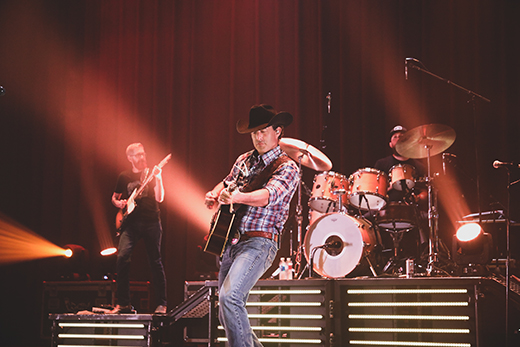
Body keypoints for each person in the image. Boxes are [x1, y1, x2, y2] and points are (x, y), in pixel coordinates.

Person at [204, 104, 300, 347]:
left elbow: (268, 196)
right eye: (254, 133)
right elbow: (226, 182)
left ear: (278, 131)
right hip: (231, 241)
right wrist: (214, 194)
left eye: (263, 131)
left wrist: (237, 197)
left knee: (230, 297)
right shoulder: (244, 160)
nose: (258, 137)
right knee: (226, 311)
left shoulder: (287, 167)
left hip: (260, 242)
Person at [111, 143, 167, 314]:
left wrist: (159, 178)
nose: (142, 157)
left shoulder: (152, 173)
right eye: (138, 155)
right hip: (131, 224)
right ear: (130, 158)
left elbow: (160, 197)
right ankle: (123, 304)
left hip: (151, 222)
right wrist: (119, 203)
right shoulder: (124, 176)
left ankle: (162, 304)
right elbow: (114, 197)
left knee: (155, 262)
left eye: (143, 154)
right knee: (122, 259)